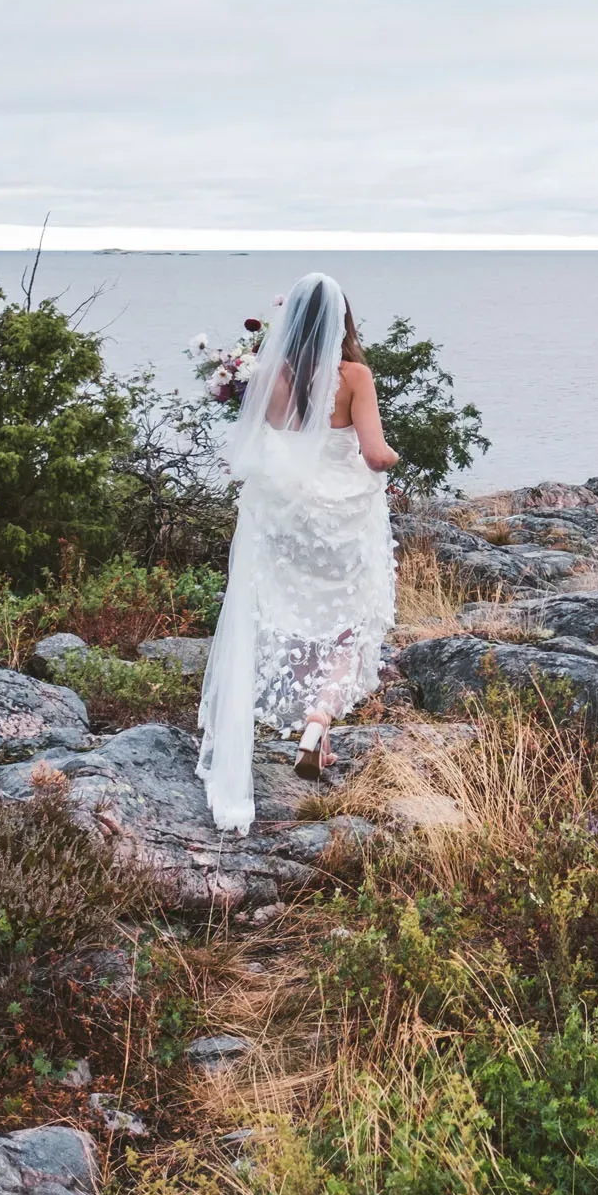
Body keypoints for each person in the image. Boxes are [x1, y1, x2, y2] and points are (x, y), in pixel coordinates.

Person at [196, 271, 400, 834]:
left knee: (289, 614)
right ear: (341, 322)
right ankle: (318, 718)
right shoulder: (353, 375)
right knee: (350, 623)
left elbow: (263, 444)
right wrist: (394, 459)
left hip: (287, 523)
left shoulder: (265, 376)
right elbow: (375, 454)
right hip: (343, 525)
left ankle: (313, 733)